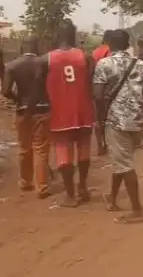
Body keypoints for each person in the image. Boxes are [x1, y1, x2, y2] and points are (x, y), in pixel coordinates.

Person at [31, 20, 95, 207]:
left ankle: (70, 196)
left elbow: (38, 89)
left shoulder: (45, 59)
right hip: (84, 111)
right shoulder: (86, 57)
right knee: (83, 152)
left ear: (57, 37)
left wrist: (30, 112)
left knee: (63, 155)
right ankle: (82, 187)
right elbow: (89, 86)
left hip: (60, 114)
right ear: (74, 35)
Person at [93, 29, 143, 224]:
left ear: (109, 44)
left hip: (116, 121)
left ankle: (137, 210)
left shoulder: (104, 64)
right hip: (137, 120)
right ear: (128, 44)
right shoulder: (141, 64)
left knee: (124, 164)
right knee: (121, 158)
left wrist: (99, 122)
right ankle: (112, 197)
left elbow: (98, 96)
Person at [2, 37, 51, 198]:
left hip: (22, 111)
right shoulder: (43, 63)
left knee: (24, 148)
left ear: (22, 48)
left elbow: (6, 91)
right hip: (43, 109)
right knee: (41, 150)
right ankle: (42, 187)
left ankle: (25, 182)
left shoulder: (12, 66)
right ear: (36, 47)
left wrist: (19, 100)